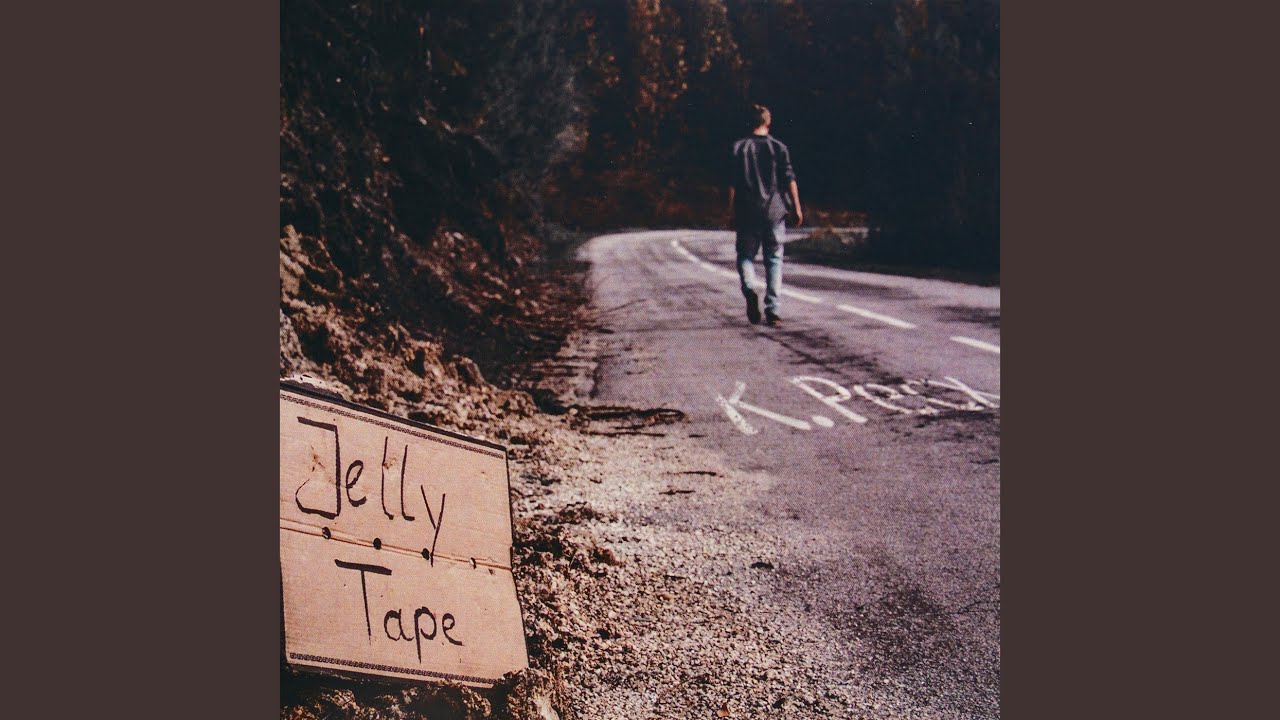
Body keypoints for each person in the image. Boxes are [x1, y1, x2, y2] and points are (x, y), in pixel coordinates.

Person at [726, 103, 802, 326]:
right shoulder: (779, 148)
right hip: (774, 212)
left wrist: (730, 211)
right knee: (774, 259)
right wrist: (797, 207)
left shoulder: (738, 148)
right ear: (768, 122)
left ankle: (750, 287)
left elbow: (732, 184)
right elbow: (790, 179)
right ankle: (773, 310)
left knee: (745, 256)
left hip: (747, 212)